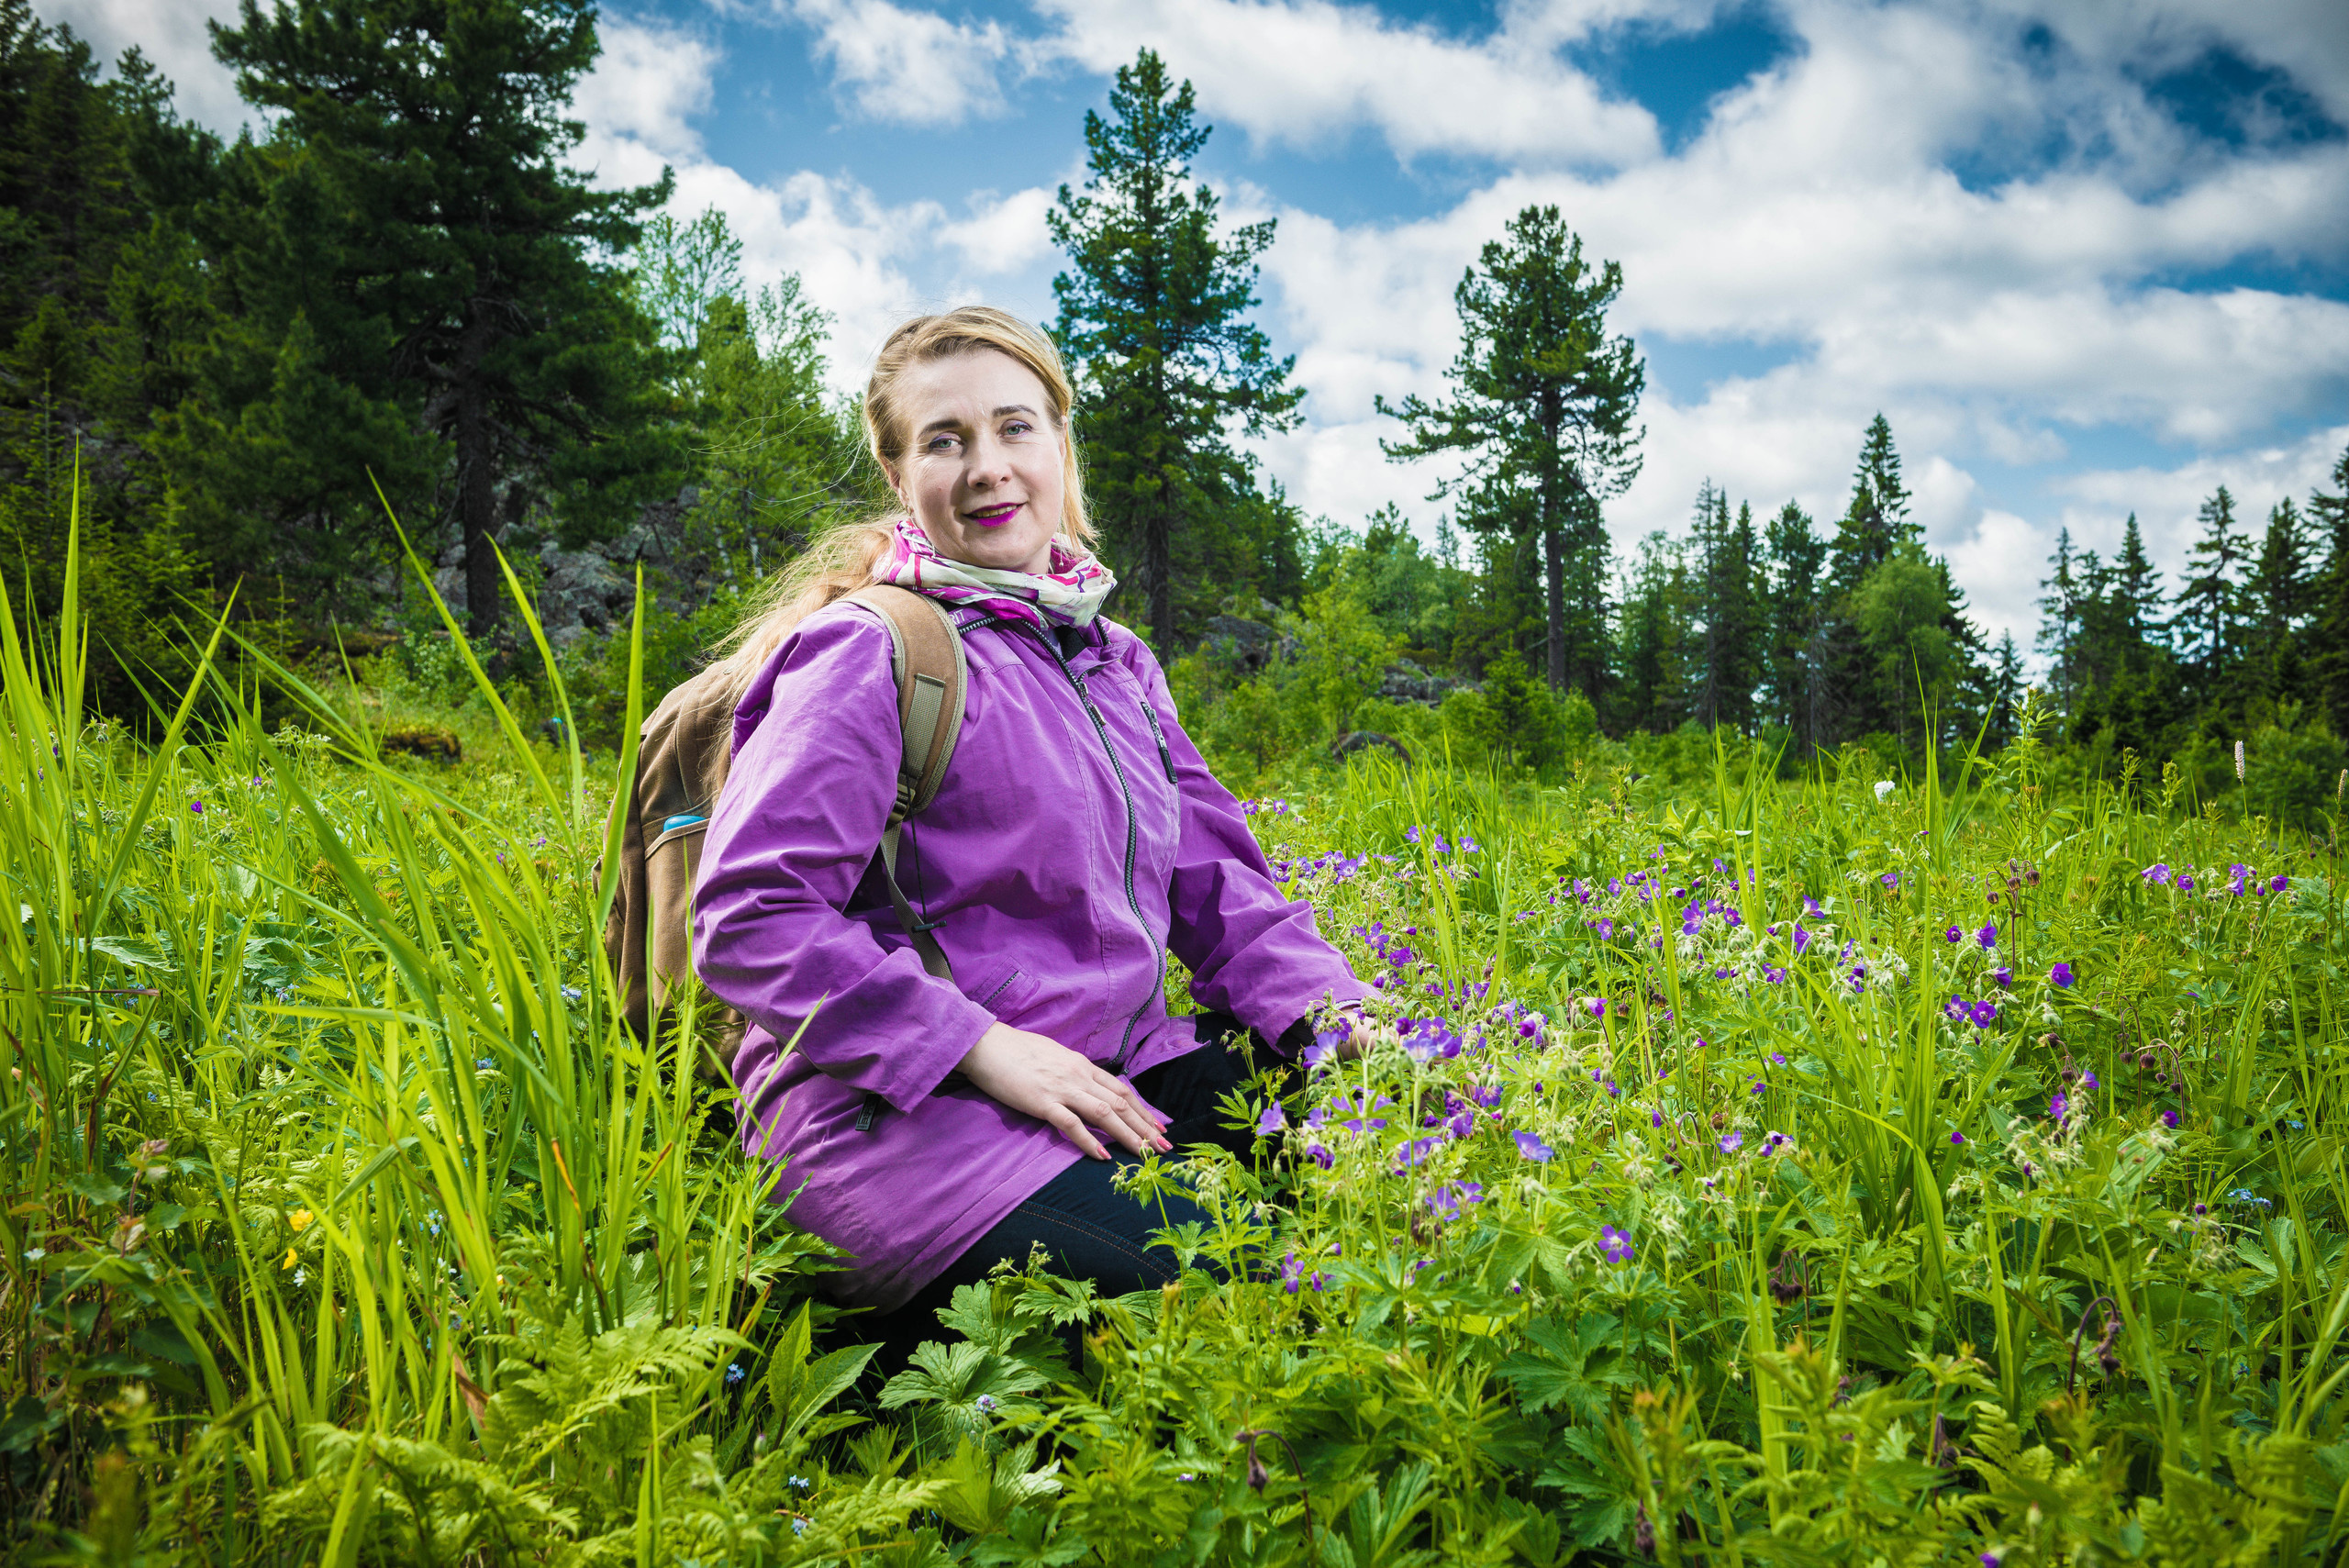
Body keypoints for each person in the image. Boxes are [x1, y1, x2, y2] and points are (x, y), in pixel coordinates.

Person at [691, 306, 1368, 1354]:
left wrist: (1347, 1029)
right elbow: (750, 916)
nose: (987, 468)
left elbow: (1225, 895)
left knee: (1411, 1158)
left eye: (1014, 428)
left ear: (1059, 443)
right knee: (1256, 1295)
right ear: (896, 471)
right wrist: (981, 1045)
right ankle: (861, 1357)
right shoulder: (870, 651)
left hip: (1110, 1076)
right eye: (944, 440)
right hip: (909, 1120)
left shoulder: (1114, 660)